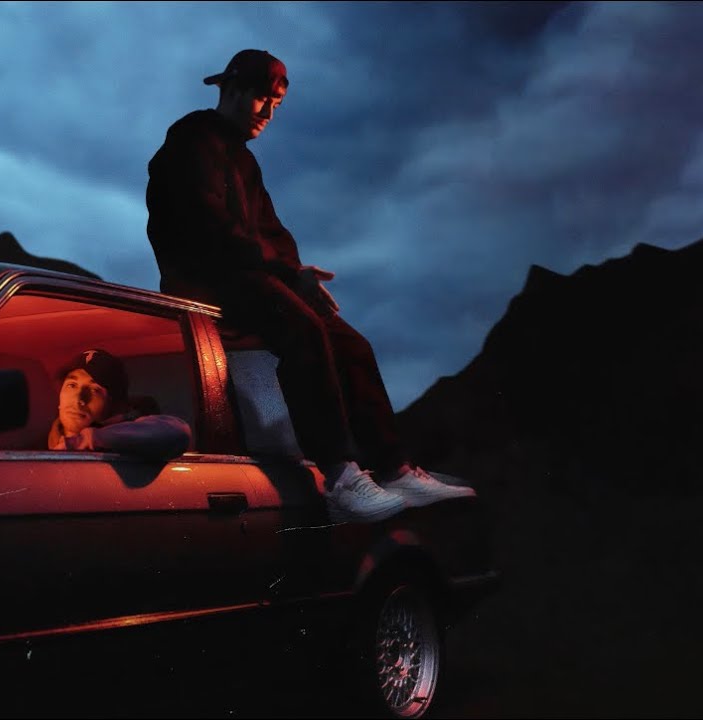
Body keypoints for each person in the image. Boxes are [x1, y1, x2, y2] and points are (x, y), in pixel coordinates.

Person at [145, 48, 474, 523]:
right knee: (302, 329)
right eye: (261, 98)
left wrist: (297, 277)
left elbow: (272, 233)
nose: (268, 112)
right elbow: (211, 230)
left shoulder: (245, 164)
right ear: (231, 90)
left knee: (350, 342)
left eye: (276, 103)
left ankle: (395, 469)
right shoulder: (191, 142)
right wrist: (284, 276)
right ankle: (340, 475)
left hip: (248, 276)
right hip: (202, 282)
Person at [48, 348, 193, 460]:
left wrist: (89, 440)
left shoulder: (128, 447)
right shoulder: (37, 448)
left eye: (95, 390)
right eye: (72, 385)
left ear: (115, 406)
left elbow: (177, 432)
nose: (78, 399)